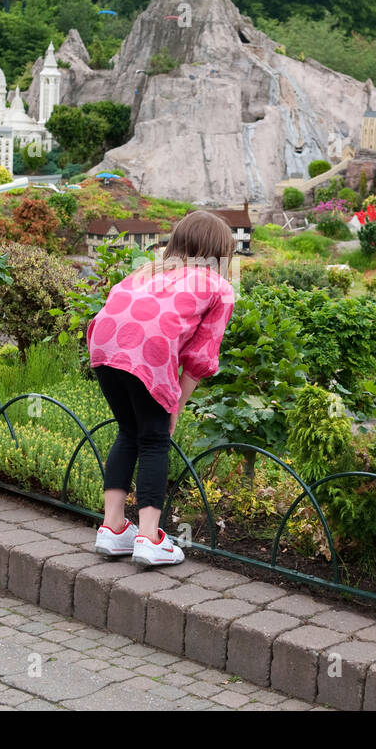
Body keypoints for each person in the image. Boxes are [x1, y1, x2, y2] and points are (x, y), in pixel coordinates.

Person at [88, 211, 237, 565]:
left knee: (128, 432)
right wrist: (176, 407)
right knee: (155, 439)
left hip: (104, 349)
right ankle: (150, 537)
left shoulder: (146, 271)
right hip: (147, 355)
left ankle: (112, 530)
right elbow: (200, 358)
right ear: (219, 252)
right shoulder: (218, 287)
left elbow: (114, 308)